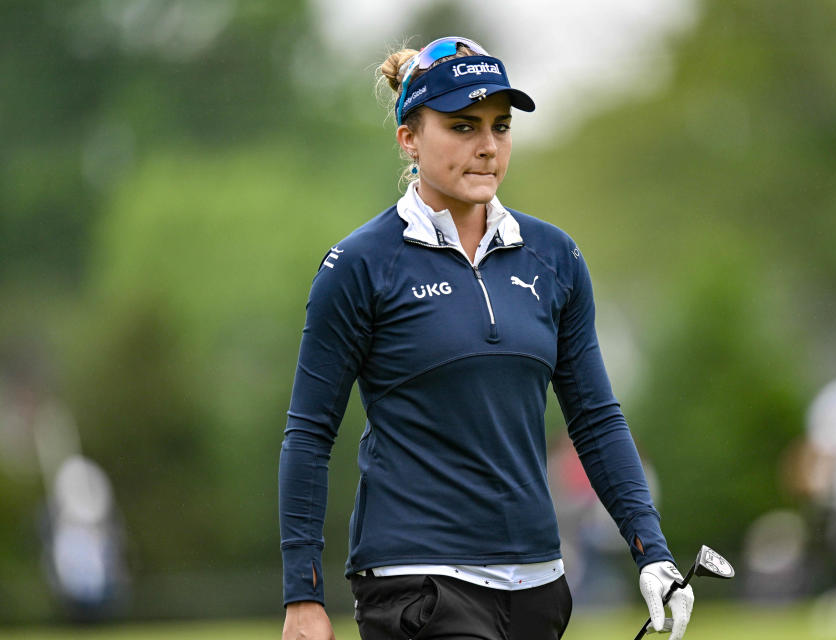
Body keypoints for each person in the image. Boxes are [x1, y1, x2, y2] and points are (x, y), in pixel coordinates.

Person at [279, 36, 694, 640]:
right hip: (417, 581)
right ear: (410, 138)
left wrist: (650, 549)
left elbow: (596, 419)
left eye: (500, 126)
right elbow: (310, 433)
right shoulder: (361, 266)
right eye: (463, 125)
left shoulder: (555, 256)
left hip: (538, 584)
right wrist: (303, 595)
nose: (487, 146)